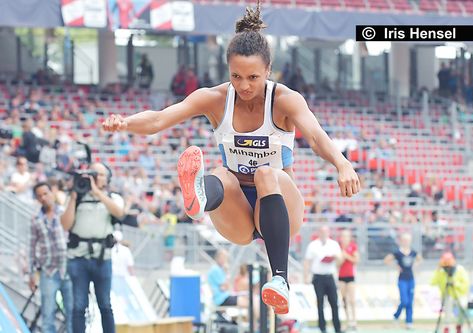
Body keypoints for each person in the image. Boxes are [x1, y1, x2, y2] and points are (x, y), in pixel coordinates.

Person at [102, 0, 360, 314]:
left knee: (266, 173)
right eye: (236, 76)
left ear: (268, 70)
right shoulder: (215, 99)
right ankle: (201, 196)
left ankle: (280, 279)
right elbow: (159, 119)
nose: (244, 85)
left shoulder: (285, 100)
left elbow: (317, 137)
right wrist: (125, 122)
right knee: (221, 172)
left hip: (280, 207)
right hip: (236, 210)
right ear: (228, 70)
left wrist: (342, 163)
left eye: (253, 77)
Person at [61, 163, 125, 333]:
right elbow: (65, 225)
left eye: (100, 174)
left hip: (102, 258)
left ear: (108, 178)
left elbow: (119, 212)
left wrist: (98, 193)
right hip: (78, 258)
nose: (96, 177)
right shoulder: (77, 196)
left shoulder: (113, 197)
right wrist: (74, 197)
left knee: (105, 304)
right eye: (93, 173)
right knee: (79, 306)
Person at [29, 182, 73, 333]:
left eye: (45, 193)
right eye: (39, 196)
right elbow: (32, 247)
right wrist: (31, 273)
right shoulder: (35, 219)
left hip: (68, 269)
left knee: (73, 314)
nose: (43, 198)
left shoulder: (65, 212)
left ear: (52, 193)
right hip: (48, 271)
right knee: (48, 315)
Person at [304, 226, 343, 333]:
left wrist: (335, 257)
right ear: (319, 233)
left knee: (334, 303)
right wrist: (306, 276)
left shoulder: (333, 244)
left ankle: (337, 328)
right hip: (318, 277)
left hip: (329, 276)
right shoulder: (313, 245)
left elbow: (340, 261)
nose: (324, 234)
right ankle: (322, 328)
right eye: (322, 232)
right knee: (320, 303)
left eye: (326, 232)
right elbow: (307, 261)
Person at [384, 233, 423, 330]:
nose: (406, 242)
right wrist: (396, 266)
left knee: (410, 301)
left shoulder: (413, 252)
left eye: (408, 240)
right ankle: (397, 315)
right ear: (401, 241)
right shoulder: (398, 253)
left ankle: (409, 321)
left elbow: (420, 259)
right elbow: (386, 260)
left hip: (411, 279)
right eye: (404, 240)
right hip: (402, 279)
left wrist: (415, 265)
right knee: (404, 301)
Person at [431, 252, 470, 333]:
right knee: (448, 301)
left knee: (463, 305)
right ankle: (447, 327)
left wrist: (456, 284)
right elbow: (432, 282)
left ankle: (459, 325)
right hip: (448, 295)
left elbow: (466, 285)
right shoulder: (441, 271)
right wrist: (438, 270)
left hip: (460, 295)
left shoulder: (460, 269)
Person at [338, 229, 359, 331]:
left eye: (346, 236)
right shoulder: (339, 247)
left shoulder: (353, 247)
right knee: (344, 299)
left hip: (350, 276)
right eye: (343, 236)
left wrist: (346, 256)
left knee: (352, 300)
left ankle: (354, 320)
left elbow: (356, 260)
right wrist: (342, 258)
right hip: (341, 276)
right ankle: (347, 320)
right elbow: (338, 264)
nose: (344, 238)